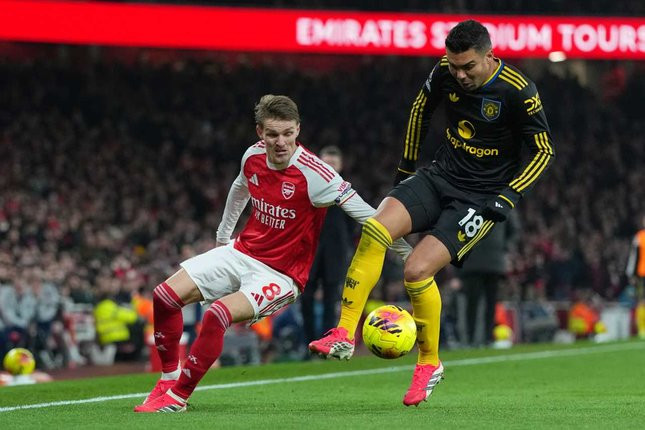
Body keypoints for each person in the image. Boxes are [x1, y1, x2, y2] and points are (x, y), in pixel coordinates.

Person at [309, 20, 555, 407]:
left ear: (489, 56)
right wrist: (406, 168)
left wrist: (508, 196)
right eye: (454, 66)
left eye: (468, 67)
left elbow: (543, 150)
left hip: (478, 199)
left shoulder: (518, 90)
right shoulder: (444, 71)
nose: (460, 75)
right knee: (375, 229)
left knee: (416, 270)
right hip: (439, 176)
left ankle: (428, 363)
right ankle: (343, 332)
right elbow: (420, 110)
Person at [134, 95, 411, 412]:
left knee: (217, 314)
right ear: (260, 133)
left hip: (281, 275)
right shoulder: (252, 156)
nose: (281, 142)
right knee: (164, 296)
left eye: (288, 133)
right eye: (273, 134)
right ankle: (168, 379)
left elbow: (368, 216)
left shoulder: (317, 174)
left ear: (298, 130)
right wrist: (223, 237)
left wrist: (407, 253)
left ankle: (178, 397)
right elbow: (240, 188)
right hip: (242, 251)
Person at [300, 145, 353, 349]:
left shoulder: (348, 189)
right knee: (306, 297)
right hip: (309, 250)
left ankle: (326, 344)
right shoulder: (307, 186)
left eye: (333, 163)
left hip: (335, 253)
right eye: (326, 162)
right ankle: (308, 342)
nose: (329, 166)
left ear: (340, 166)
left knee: (331, 300)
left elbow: (353, 223)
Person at [458, 211, 519, 347]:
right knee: (476, 303)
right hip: (478, 262)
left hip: (486, 262)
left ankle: (482, 338)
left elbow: (514, 231)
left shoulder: (502, 204)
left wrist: (505, 247)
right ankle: (476, 338)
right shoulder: (504, 203)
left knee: (486, 303)